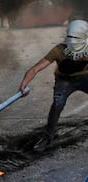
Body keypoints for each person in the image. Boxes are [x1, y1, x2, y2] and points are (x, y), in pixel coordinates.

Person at [19, 19, 88, 152]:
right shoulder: (59, 50)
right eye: (70, 37)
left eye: (77, 37)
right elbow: (36, 68)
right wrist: (24, 83)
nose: (73, 40)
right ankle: (47, 137)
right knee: (57, 104)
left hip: (85, 77)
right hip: (64, 80)